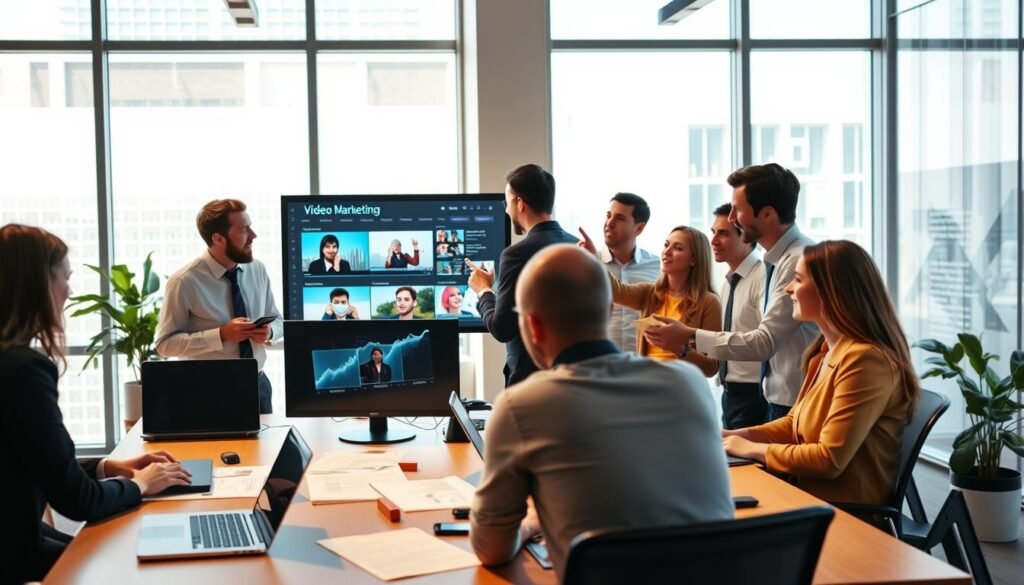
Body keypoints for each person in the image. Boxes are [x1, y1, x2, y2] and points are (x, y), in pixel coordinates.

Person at [470, 245, 733, 578]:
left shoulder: (522, 405)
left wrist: (531, 524)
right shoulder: (689, 382)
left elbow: (490, 548)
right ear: (609, 311)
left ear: (532, 326)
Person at [0, 224, 192, 583]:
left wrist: (108, 466)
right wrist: (140, 484)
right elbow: (75, 500)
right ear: (37, 286)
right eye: (64, 278)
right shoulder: (23, 370)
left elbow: (34, 461)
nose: (69, 292)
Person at [723, 240, 920, 505]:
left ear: (831, 292)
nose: (789, 288)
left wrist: (751, 448)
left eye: (797, 280)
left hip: (842, 514)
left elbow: (829, 460)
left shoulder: (866, 361)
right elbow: (794, 424)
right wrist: (736, 436)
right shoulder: (825, 350)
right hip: (807, 498)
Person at [655, 164, 819, 420]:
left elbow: (764, 342)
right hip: (779, 400)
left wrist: (689, 336)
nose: (731, 217)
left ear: (766, 214)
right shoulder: (778, 259)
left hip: (793, 402)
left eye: (737, 209)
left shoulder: (798, 260)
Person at [156, 199, 283, 414]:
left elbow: (277, 319)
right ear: (218, 238)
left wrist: (269, 332)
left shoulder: (257, 270)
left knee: (265, 448)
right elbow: (165, 345)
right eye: (244, 230)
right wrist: (221, 335)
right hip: (206, 392)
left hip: (258, 386)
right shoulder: (184, 281)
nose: (253, 235)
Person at [466, 164, 578, 387]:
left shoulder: (516, 254)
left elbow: (502, 329)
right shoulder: (577, 246)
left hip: (530, 381)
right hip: (574, 377)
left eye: (507, 202)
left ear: (519, 203)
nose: (506, 210)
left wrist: (484, 291)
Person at [579, 225, 721, 376]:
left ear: (694, 260)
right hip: (648, 383)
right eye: (666, 245)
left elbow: (711, 368)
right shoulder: (649, 293)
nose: (666, 252)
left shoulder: (709, 303)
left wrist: (678, 348)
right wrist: (593, 259)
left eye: (678, 248)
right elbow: (616, 291)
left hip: (682, 386)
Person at [710, 203, 767, 429]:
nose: (714, 241)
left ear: (746, 237)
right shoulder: (729, 282)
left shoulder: (762, 277)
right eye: (713, 232)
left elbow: (766, 340)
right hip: (730, 391)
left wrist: (692, 337)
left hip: (754, 394)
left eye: (723, 234)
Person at [597, 192, 660, 352]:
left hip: (644, 366)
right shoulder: (588, 263)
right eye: (608, 215)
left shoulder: (658, 267)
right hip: (599, 365)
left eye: (619, 218)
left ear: (639, 228)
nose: (609, 223)